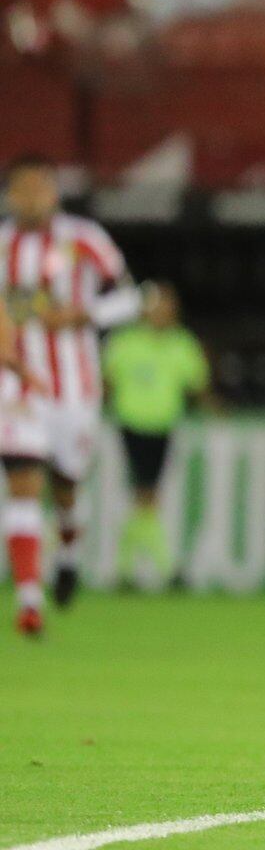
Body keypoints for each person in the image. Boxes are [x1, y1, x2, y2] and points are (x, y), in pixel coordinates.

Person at [1, 154, 141, 611]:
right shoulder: (3, 244)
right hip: (21, 385)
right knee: (23, 478)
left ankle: (67, 555)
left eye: (40, 187)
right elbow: (10, 310)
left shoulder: (83, 238)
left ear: (54, 192)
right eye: (22, 189)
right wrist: (28, 314)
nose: (31, 198)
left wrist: (84, 314)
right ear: (9, 195)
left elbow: (130, 297)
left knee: (67, 483)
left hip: (76, 385)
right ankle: (28, 597)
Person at [102, 281, 211, 590]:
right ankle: (166, 569)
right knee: (147, 495)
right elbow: (106, 381)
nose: (163, 312)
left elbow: (197, 384)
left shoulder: (182, 343)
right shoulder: (124, 341)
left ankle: (125, 570)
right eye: (158, 305)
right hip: (132, 423)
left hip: (164, 425)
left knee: (145, 496)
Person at [1, 305, 51, 636]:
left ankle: (30, 602)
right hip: (15, 395)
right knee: (25, 500)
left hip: (18, 395)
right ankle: (29, 601)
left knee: (24, 501)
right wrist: (21, 367)